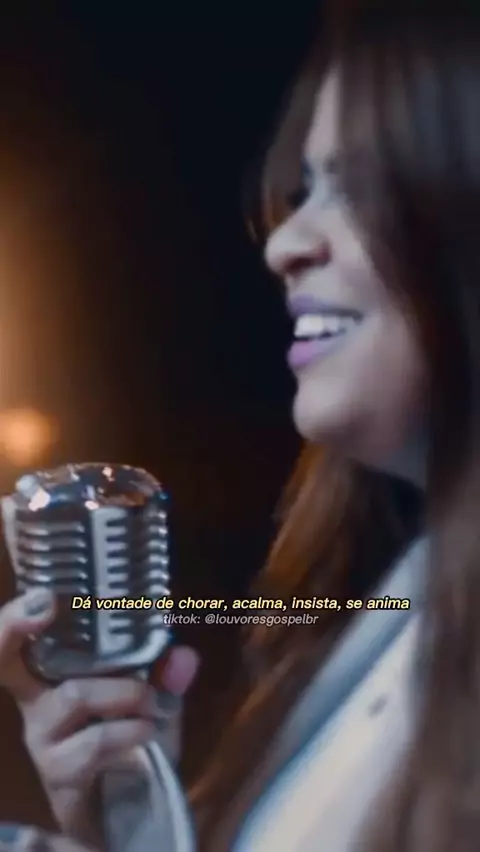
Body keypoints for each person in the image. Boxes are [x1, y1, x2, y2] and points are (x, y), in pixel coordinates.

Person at [0, 0, 479, 849]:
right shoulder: (394, 615)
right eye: (308, 188)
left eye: (358, 185)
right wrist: (132, 811)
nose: (283, 244)